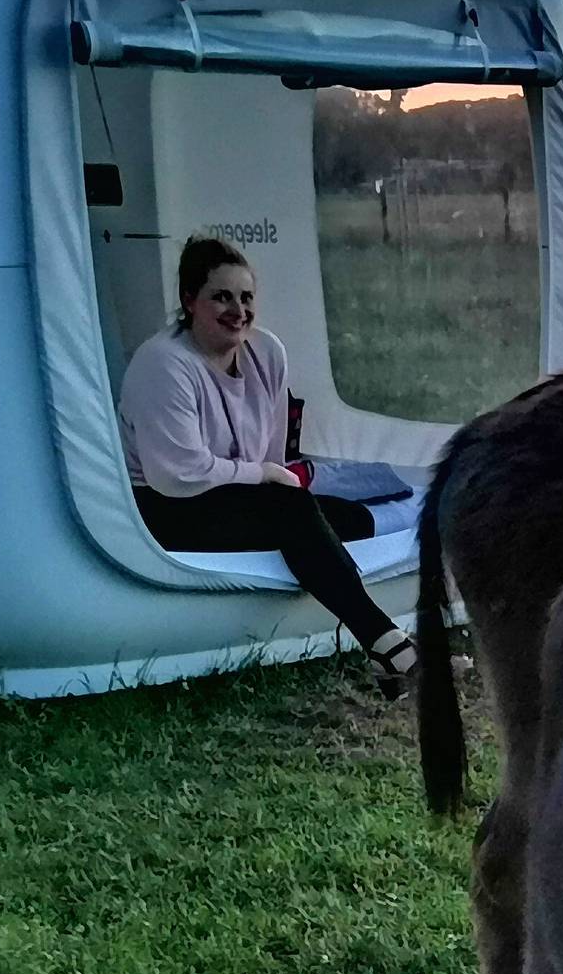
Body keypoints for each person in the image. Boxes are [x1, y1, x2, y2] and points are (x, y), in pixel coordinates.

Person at [122, 236, 420, 690]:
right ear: (189, 301)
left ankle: (417, 519)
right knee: (298, 511)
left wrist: (267, 477)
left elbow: (275, 453)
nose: (238, 310)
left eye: (245, 297)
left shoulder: (266, 352)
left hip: (234, 496)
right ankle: (386, 643)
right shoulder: (164, 364)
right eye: (220, 296)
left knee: (329, 518)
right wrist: (263, 476)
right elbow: (176, 474)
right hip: (165, 507)